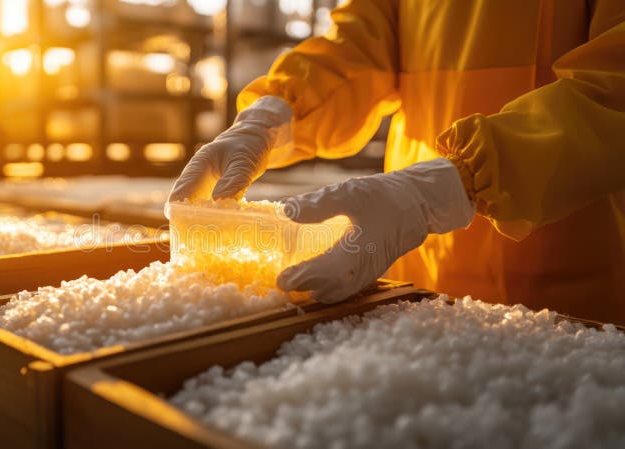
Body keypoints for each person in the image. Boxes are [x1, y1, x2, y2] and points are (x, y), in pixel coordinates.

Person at [169, 0, 625, 324]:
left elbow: (614, 82)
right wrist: (272, 114)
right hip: (412, 262)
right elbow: (362, 39)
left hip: (574, 293)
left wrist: (453, 183)